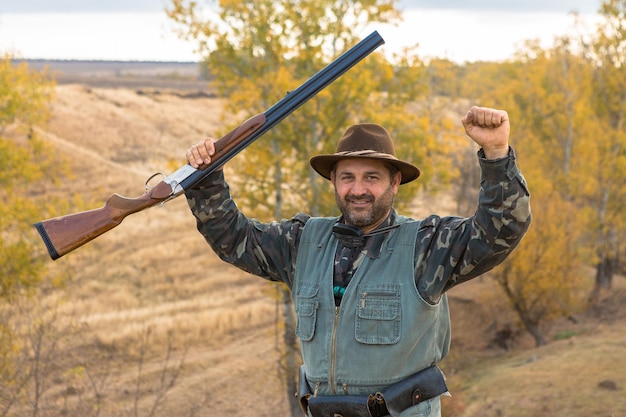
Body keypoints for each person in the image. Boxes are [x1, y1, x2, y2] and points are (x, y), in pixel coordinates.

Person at [184, 106, 531, 417]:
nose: (358, 189)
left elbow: (499, 231)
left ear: (395, 182)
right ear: (333, 181)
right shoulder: (303, 242)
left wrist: (497, 153)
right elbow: (234, 239)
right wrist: (205, 178)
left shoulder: (426, 246)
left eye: (372, 177)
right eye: (347, 177)